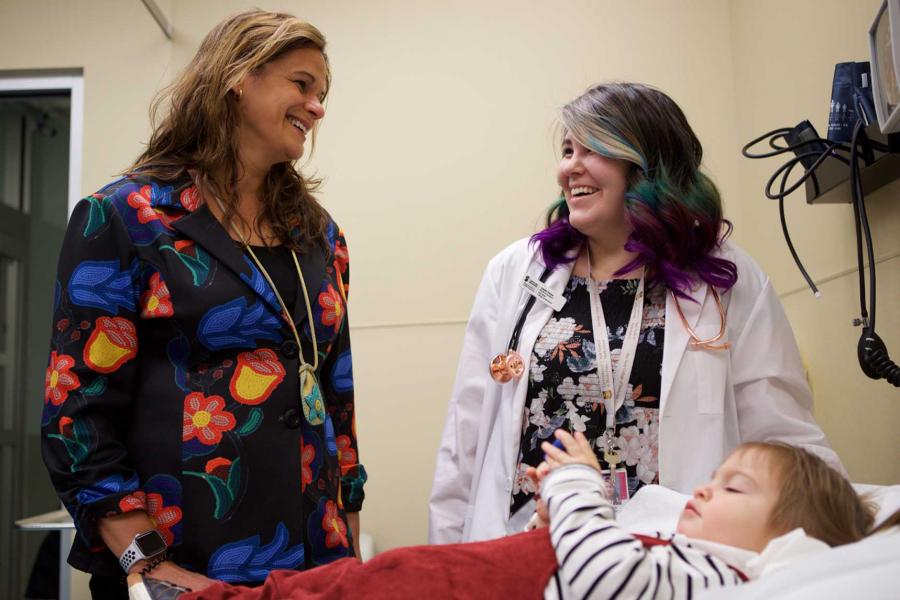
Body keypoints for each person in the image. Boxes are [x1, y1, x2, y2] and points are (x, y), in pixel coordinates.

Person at [429, 82, 844, 545]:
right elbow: (463, 439)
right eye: (568, 149)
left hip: (670, 554)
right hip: (529, 548)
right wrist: (445, 559)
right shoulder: (515, 272)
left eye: (593, 148)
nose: (570, 167)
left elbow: (783, 437)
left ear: (649, 164)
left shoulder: (726, 279)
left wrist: (840, 542)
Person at [40, 9, 365, 597]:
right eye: (302, 84)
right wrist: (149, 563)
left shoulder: (318, 235)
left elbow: (336, 395)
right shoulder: (125, 217)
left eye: (322, 93)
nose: (318, 107)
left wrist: (348, 537)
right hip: (182, 564)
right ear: (239, 77)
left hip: (311, 563)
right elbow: (76, 415)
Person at [131, 437, 894, 599]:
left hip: (486, 587)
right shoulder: (696, 554)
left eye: (733, 490)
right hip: (489, 570)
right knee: (359, 580)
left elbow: (599, 573)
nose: (704, 490)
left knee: (362, 589)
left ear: (788, 535)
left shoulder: (725, 575)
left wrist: (578, 490)